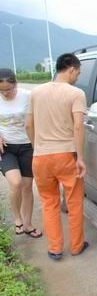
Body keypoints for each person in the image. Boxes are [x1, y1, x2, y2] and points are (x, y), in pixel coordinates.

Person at [25, 53, 89, 261]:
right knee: (74, 202)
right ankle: (77, 246)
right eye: (77, 73)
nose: (77, 77)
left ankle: (55, 249)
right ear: (71, 69)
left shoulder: (35, 92)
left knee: (49, 202)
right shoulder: (76, 93)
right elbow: (78, 126)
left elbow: (28, 125)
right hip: (66, 155)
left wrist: (38, 148)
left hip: (40, 157)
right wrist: (80, 157)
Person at [0, 68, 42, 238]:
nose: (5, 94)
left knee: (26, 187)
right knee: (15, 183)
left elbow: (39, 117)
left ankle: (28, 224)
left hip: (27, 146)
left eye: (8, 90)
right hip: (7, 148)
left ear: (15, 84)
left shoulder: (28, 95)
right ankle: (17, 219)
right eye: (1, 91)